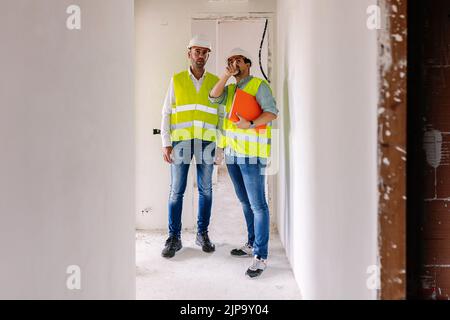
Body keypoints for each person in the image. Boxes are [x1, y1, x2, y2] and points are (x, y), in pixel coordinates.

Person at [209, 48, 279, 278]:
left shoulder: (259, 86)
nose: (233, 63)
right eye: (229, 60)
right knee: (245, 202)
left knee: (258, 205)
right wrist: (225, 76)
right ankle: (251, 244)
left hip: (252, 154)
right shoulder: (229, 89)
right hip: (233, 155)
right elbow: (212, 96)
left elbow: (271, 113)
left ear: (248, 64)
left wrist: (250, 123)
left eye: (237, 60)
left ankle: (261, 256)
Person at [160, 35, 220, 258]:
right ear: (189, 53)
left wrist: (220, 146)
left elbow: (221, 115)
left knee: (206, 190)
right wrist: (166, 143)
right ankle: (174, 238)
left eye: (205, 52)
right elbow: (166, 112)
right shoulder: (176, 80)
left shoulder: (215, 81)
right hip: (181, 141)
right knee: (177, 191)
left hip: (207, 142)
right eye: (197, 51)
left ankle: (202, 234)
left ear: (208, 56)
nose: (201, 56)